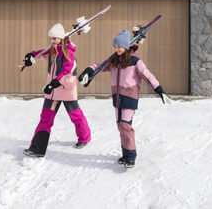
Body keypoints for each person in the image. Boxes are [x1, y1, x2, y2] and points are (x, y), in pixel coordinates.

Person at [78, 29, 168, 168]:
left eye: (119, 46)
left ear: (126, 46)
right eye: (115, 46)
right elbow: (98, 66)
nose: (117, 49)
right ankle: (126, 154)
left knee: (125, 126)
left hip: (130, 97)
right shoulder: (114, 62)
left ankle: (131, 157)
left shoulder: (135, 62)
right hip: (117, 98)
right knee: (121, 126)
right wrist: (88, 70)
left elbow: (148, 76)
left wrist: (159, 90)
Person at [19, 23, 91, 158]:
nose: (51, 41)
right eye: (50, 38)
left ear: (61, 38)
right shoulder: (53, 50)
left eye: (54, 38)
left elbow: (66, 71)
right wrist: (31, 56)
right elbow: (41, 53)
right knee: (45, 118)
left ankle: (85, 137)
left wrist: (53, 83)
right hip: (52, 92)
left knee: (75, 115)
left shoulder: (68, 52)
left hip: (65, 90)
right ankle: (37, 149)